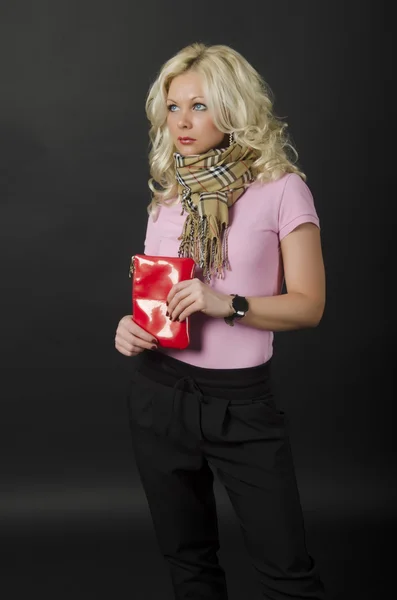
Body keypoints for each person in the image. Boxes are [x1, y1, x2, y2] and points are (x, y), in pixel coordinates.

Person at [115, 42, 327, 600]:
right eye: (173, 105)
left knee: (288, 573)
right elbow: (159, 302)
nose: (181, 121)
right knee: (189, 567)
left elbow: (309, 305)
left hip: (241, 406)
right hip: (158, 396)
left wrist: (227, 303)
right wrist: (131, 328)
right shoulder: (170, 192)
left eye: (200, 106)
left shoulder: (282, 189)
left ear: (233, 107)